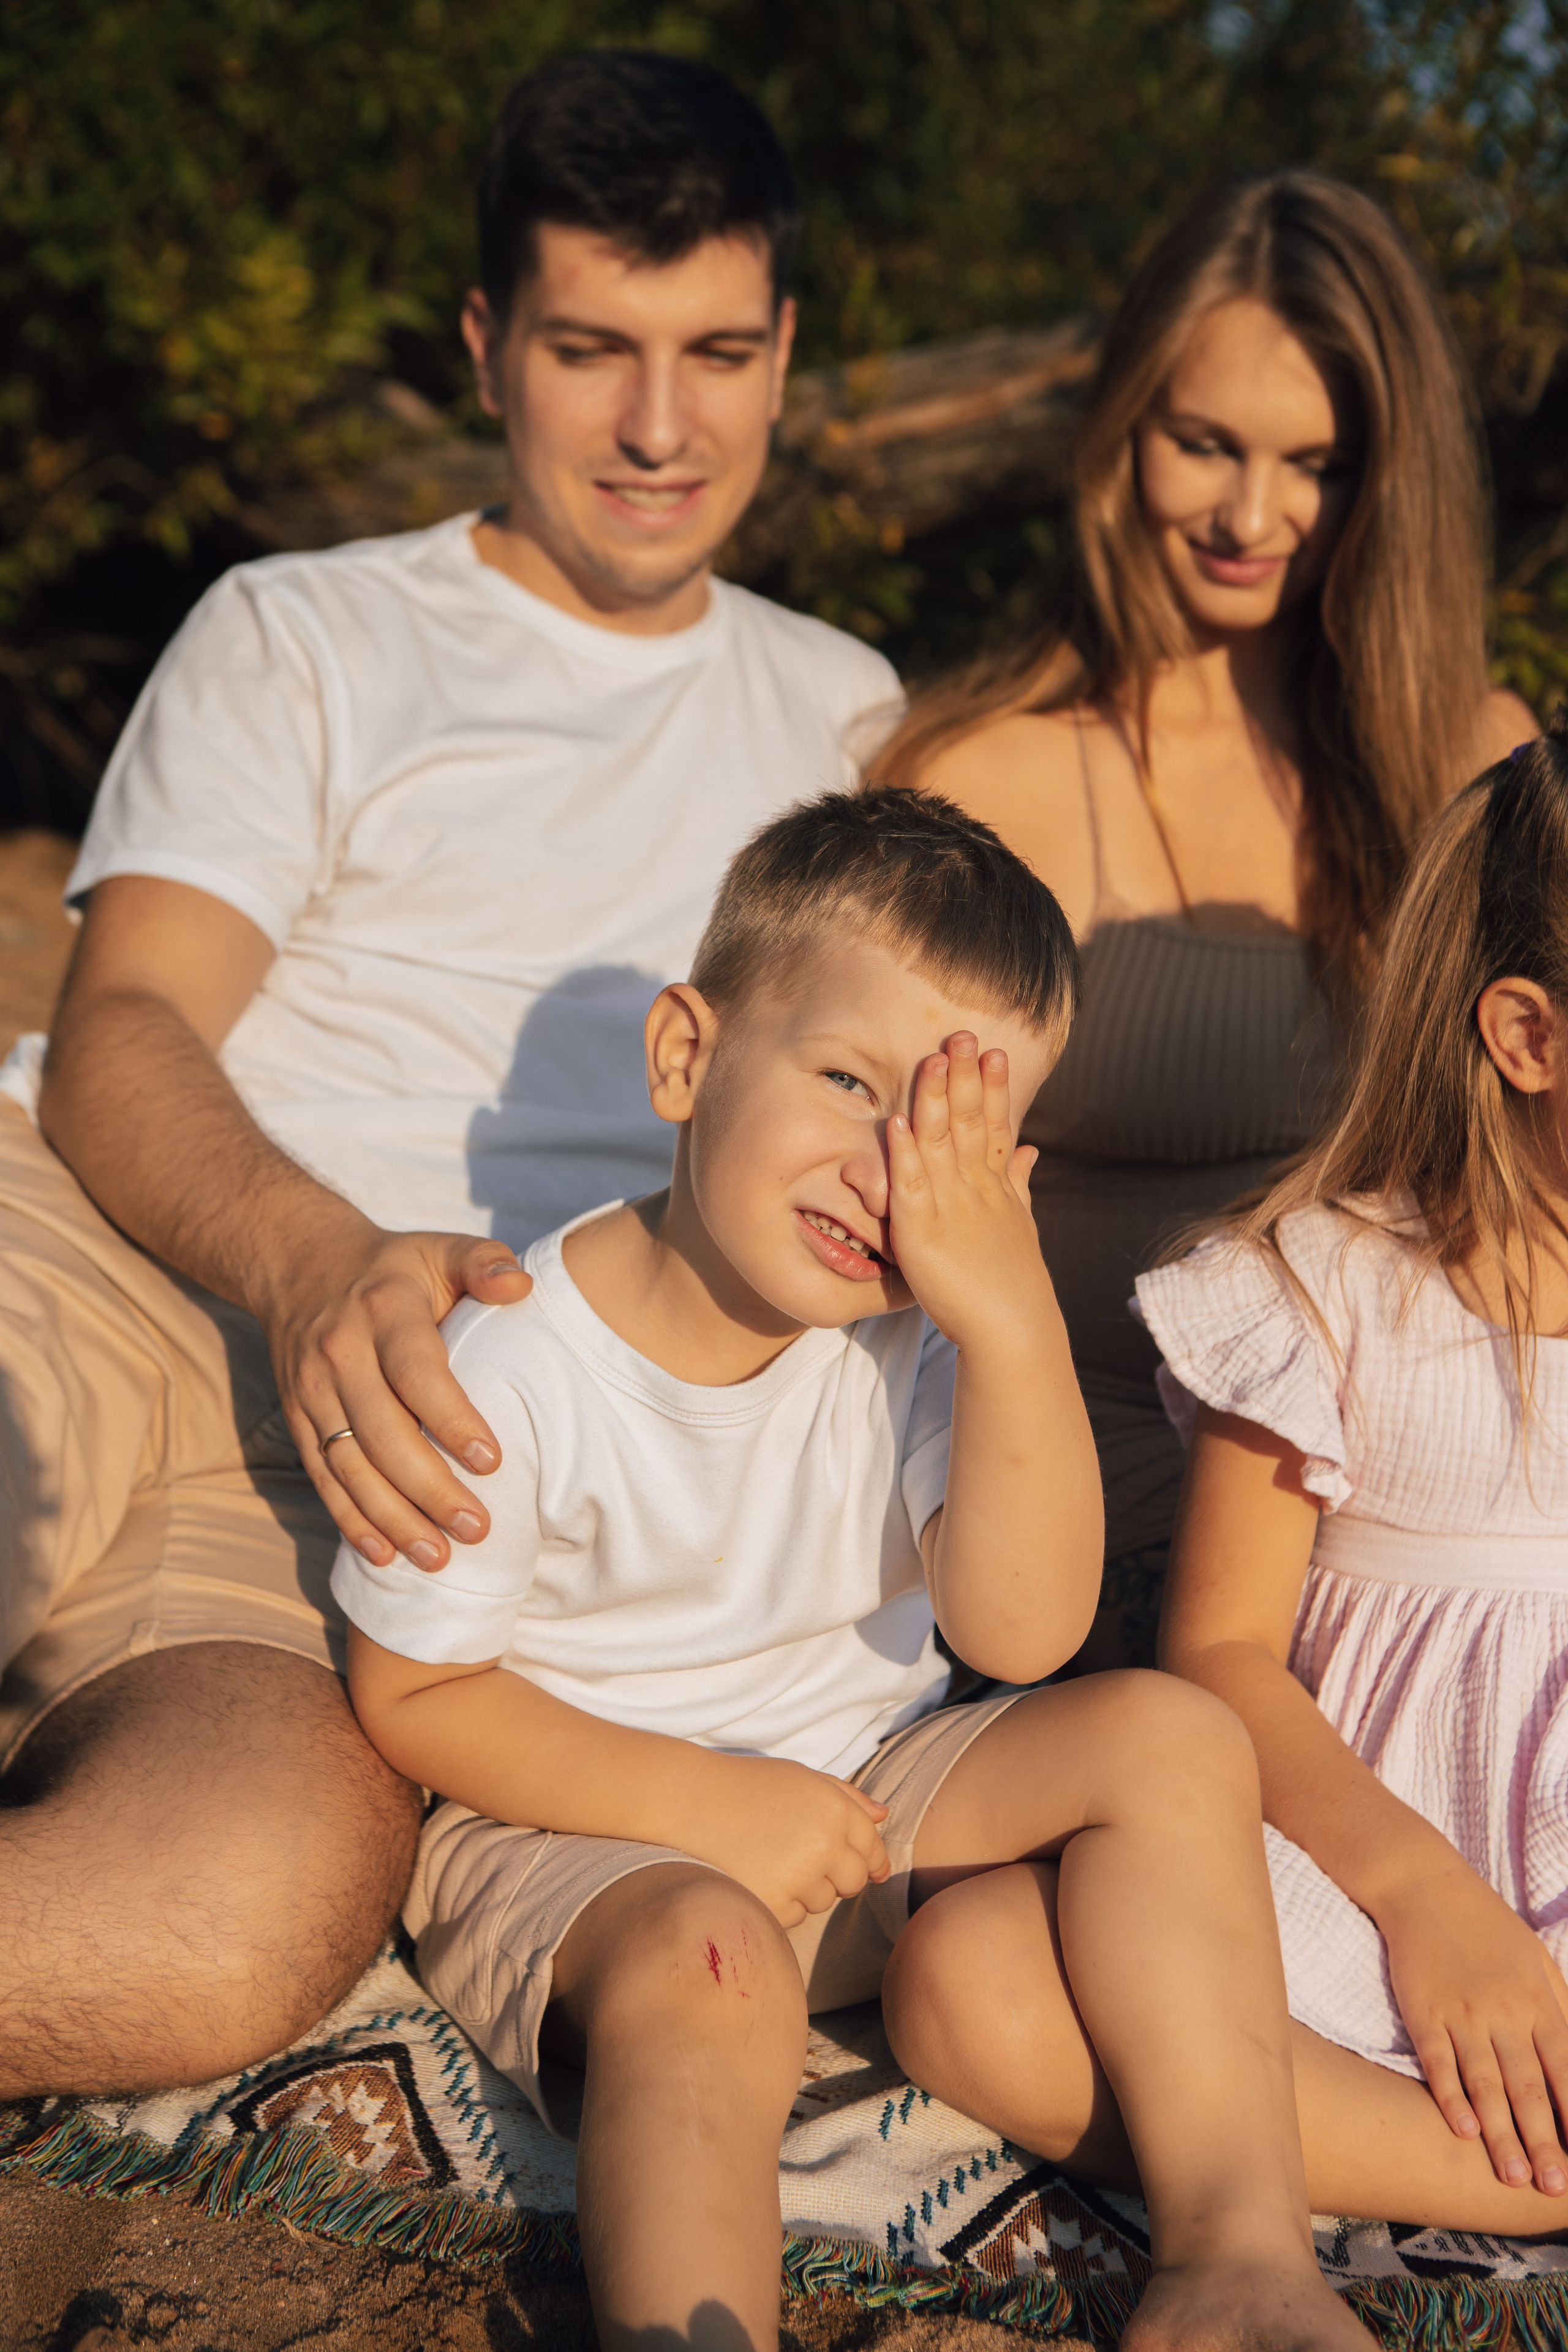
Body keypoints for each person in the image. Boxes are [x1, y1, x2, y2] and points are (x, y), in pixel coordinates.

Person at [0, 50, 900, 2098]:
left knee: (226, 1915)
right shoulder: (307, 628)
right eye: (593, 349)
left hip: (428, 1479)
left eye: (717, 353)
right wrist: (315, 1262)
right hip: (144, 1250)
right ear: (490, 345)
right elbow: (127, 1019)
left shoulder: (850, 717)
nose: (661, 427)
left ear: (785, 356)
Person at [337, 786, 1378, 2352]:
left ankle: (1236, 2253)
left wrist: (1014, 1320)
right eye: (845, 1082)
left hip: (862, 1785)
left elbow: (1019, 1636)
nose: (885, 1175)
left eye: (945, 1136)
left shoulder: (920, 1332)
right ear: (686, 1058)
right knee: (713, 1962)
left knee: (1171, 1735)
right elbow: (412, 1692)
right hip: (583, 1825)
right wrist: (708, 1805)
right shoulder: (521, 1363)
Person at [875, 171, 1535, 1669]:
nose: (1253, 515)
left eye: (1317, 461)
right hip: (1065, 1489)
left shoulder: (1473, 763)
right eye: (1204, 445)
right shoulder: (973, 774)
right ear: (1121, 437)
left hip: (1408, 1500)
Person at [1130, 722, 1568, 2228]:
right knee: (973, 1980)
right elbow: (1219, 1656)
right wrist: (1425, 1899)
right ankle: (1515, 2174)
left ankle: (1484, 2165)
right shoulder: (1321, 1289)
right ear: (1526, 1039)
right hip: (1362, 1849)